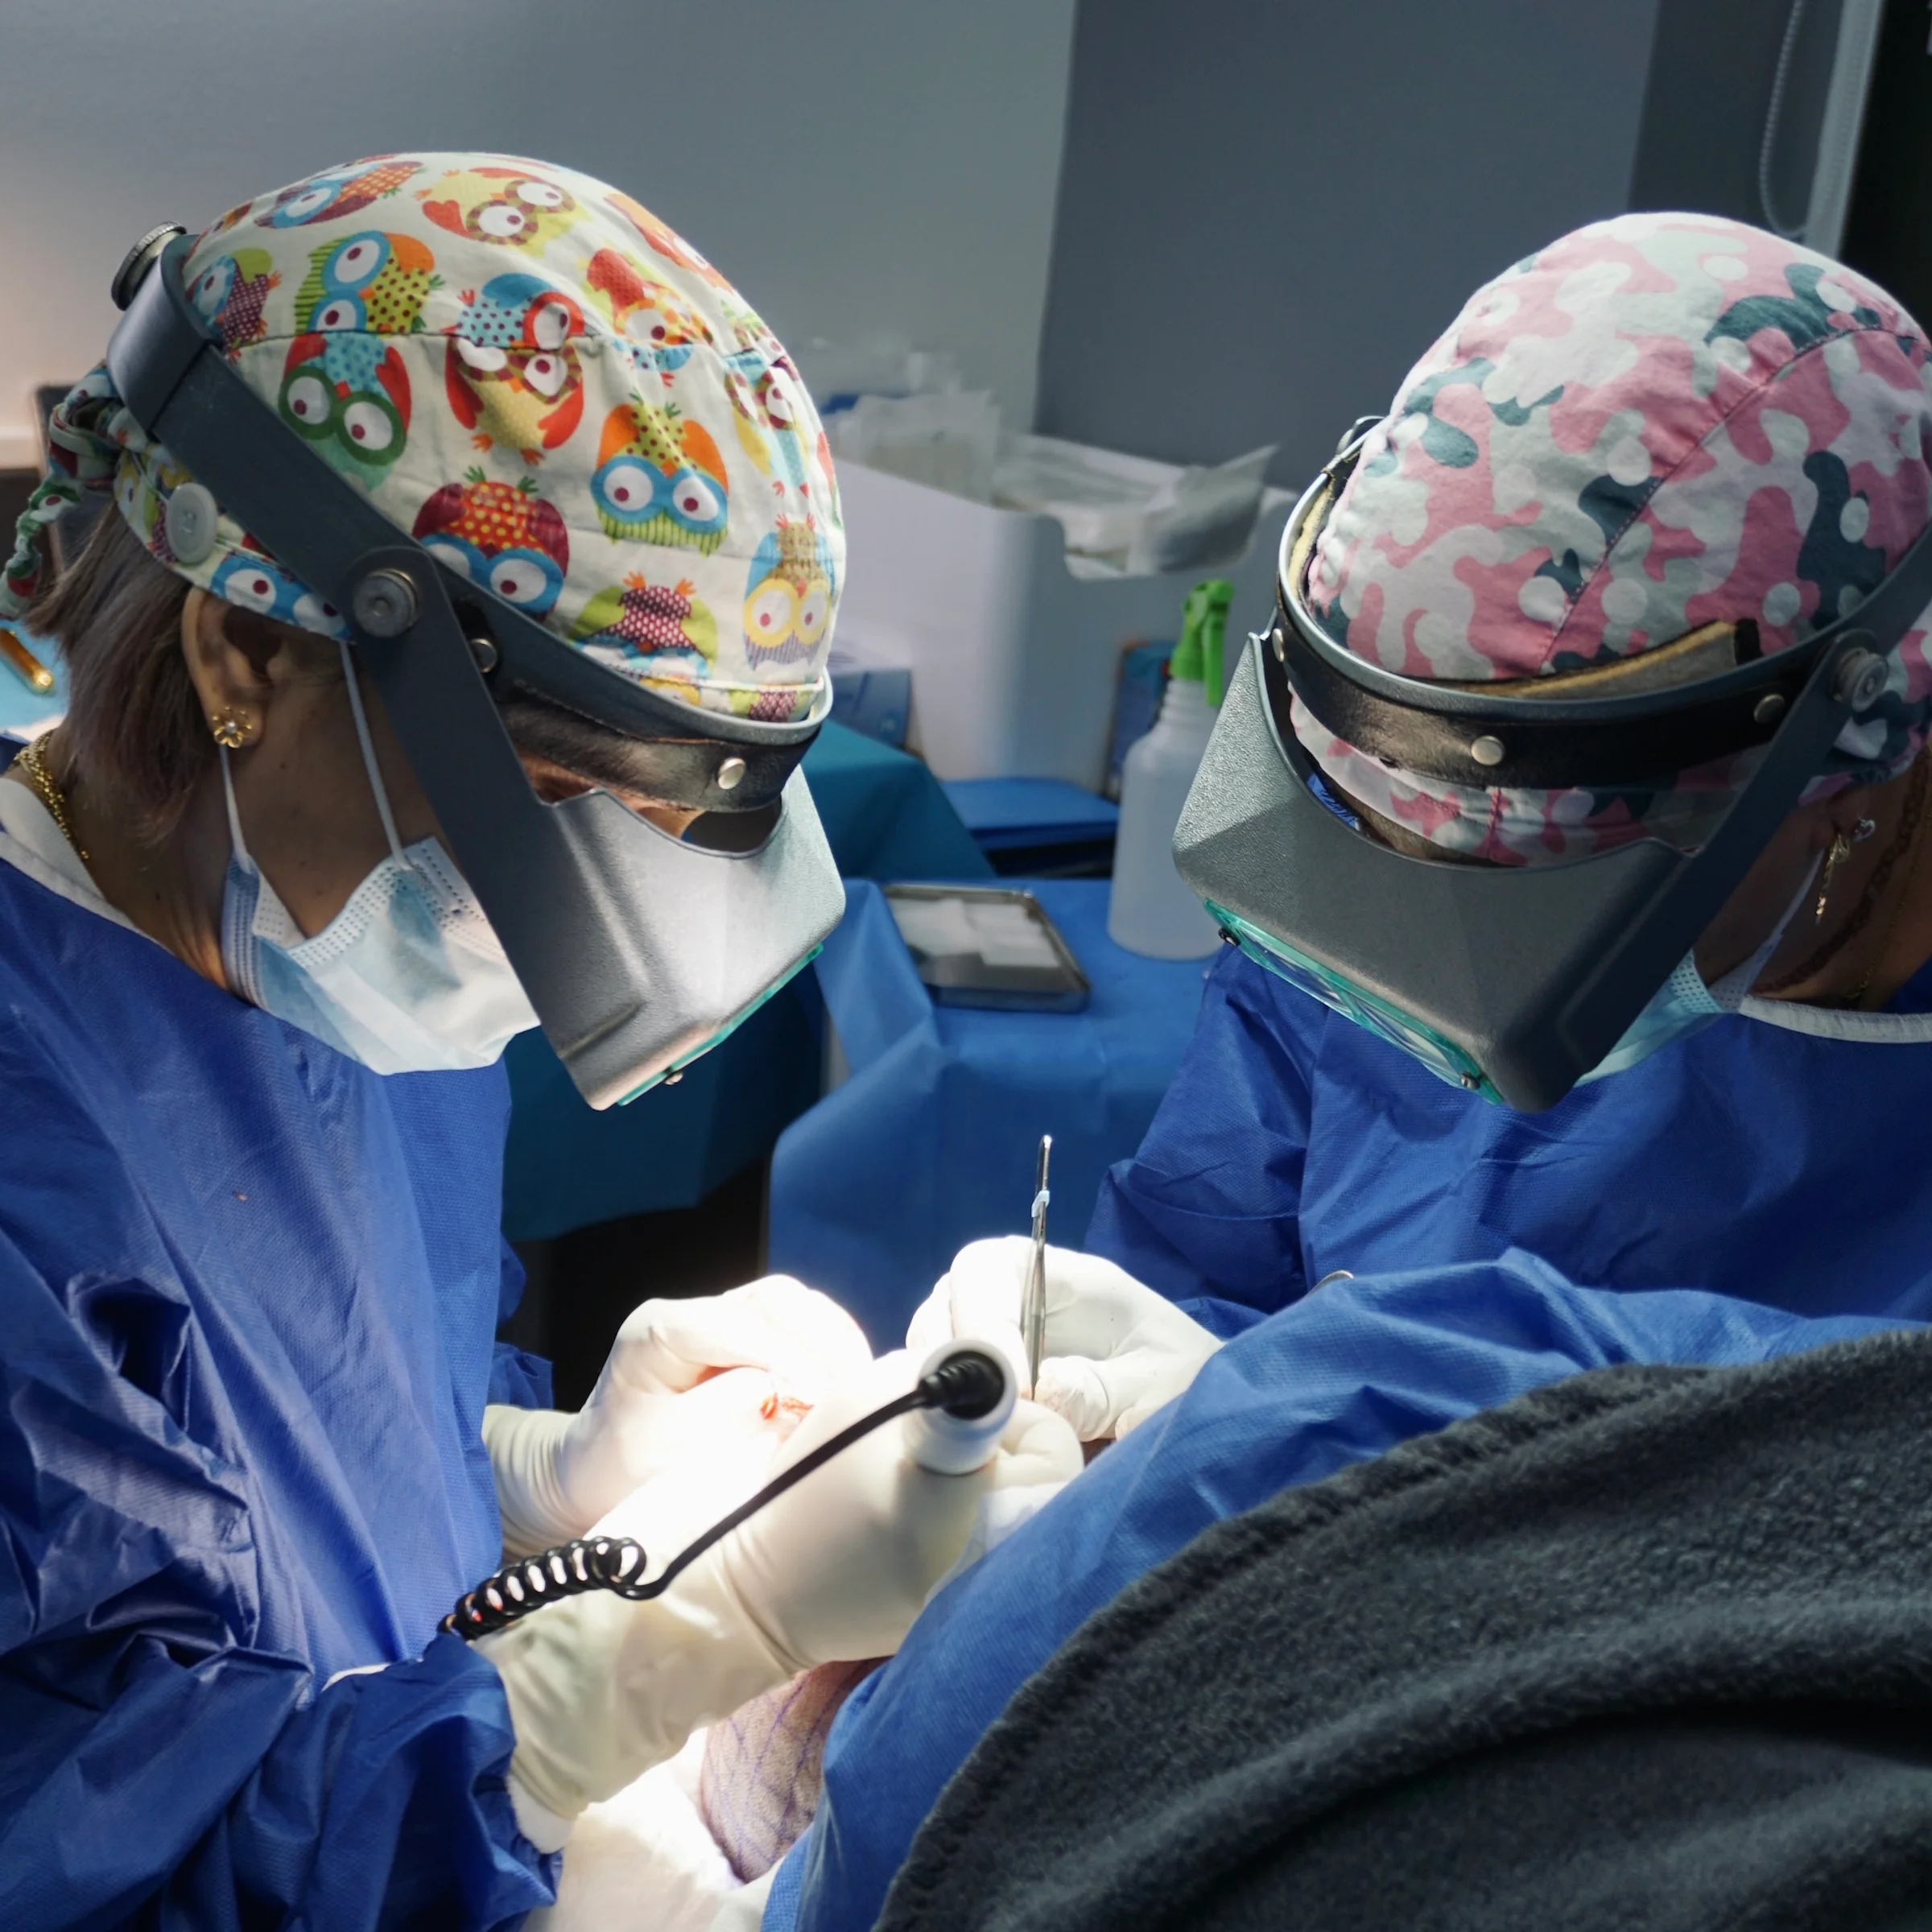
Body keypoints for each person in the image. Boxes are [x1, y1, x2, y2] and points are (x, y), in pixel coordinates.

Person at [778, 211, 1932, 1926]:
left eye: (1531, 906)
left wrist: (1381, 1430)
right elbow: (1214, 1252)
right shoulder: (1374, 904)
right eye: (1411, 865)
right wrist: (1132, 1413)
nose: (1446, 951)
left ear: (1852, 777)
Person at [0, 152, 1075, 1927]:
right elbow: (104, 1853)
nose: (582, 914)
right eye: (564, 806)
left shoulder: (313, 950)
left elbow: (321, 1441)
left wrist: (545, 1477)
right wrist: (686, 1632)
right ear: (238, 657)